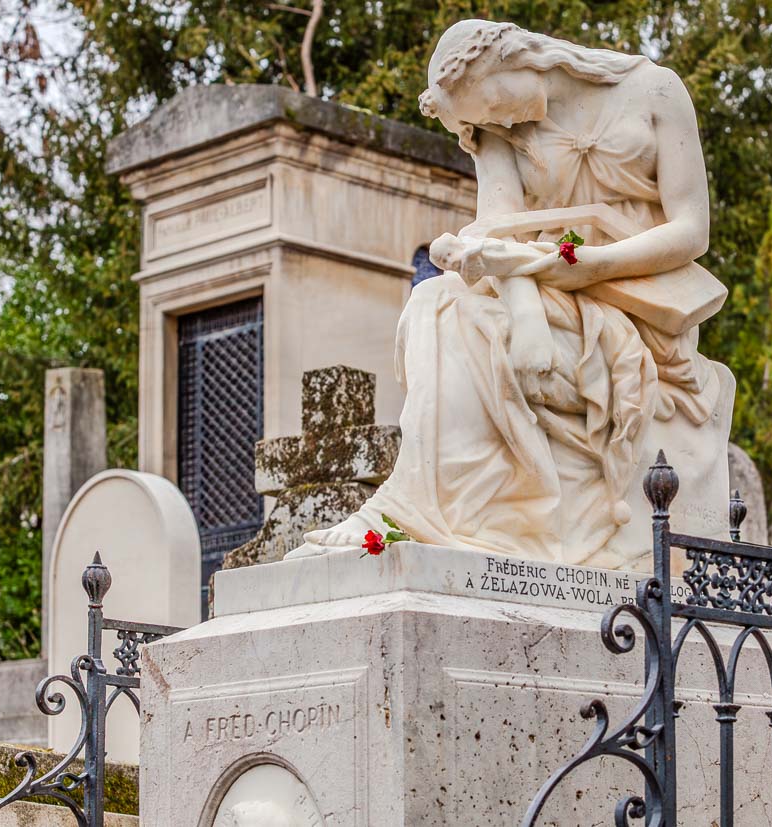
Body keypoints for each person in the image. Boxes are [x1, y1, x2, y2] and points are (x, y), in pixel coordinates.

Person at [294, 20, 730, 566]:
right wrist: (517, 302)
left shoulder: (655, 91)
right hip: (542, 286)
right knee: (435, 300)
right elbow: (501, 227)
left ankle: (448, 516)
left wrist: (590, 266)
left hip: (635, 301)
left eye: (493, 104)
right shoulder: (498, 128)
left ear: (518, 58)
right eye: (481, 121)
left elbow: (692, 231)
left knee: (458, 317)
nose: (496, 122)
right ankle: (414, 509)